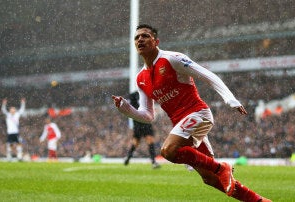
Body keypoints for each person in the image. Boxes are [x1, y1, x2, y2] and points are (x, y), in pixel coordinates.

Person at [112, 24, 271, 202]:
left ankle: (221, 167)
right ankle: (259, 201)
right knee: (209, 178)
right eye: (137, 37)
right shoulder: (140, 78)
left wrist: (230, 99)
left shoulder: (173, 59)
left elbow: (207, 75)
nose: (140, 39)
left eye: (145, 36)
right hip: (185, 126)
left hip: (198, 114)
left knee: (168, 151)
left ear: (156, 41)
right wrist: (126, 110)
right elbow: (148, 115)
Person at [124, 91, 160, 169]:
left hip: (144, 122)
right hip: (140, 122)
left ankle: (153, 161)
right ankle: (128, 157)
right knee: (137, 143)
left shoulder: (145, 95)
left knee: (148, 141)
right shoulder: (135, 95)